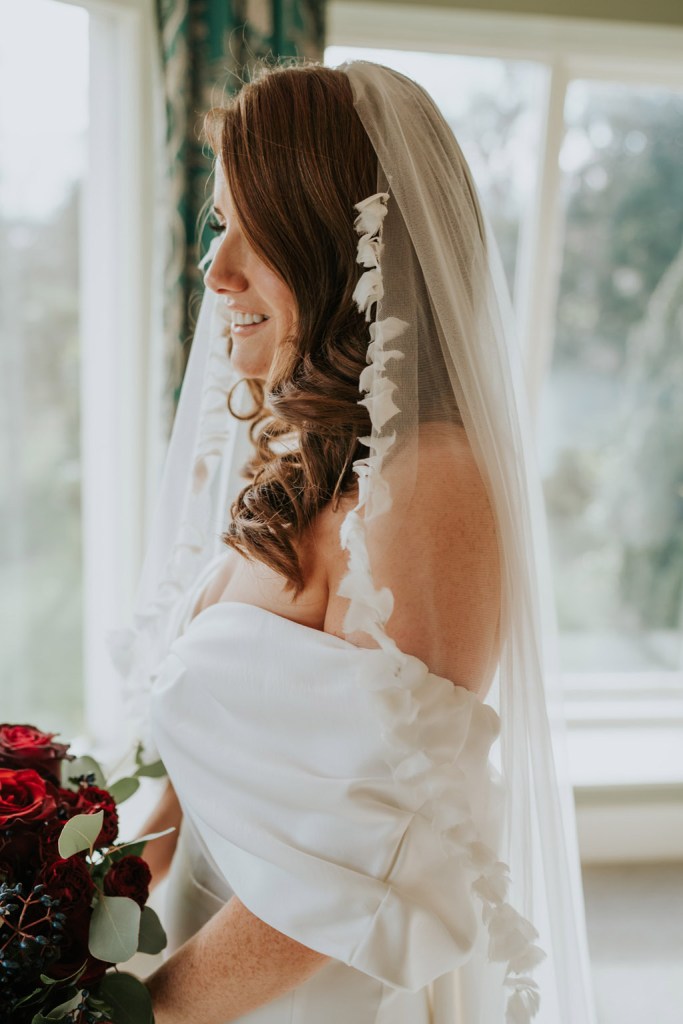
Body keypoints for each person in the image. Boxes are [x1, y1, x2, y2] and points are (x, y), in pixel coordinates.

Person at [114, 60, 595, 1023]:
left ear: (347, 249)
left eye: (261, 233)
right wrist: (90, 899)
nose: (216, 270)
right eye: (218, 222)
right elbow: (209, 751)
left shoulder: (427, 486)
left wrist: (134, 1015)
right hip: (196, 963)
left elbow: (369, 868)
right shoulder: (303, 453)